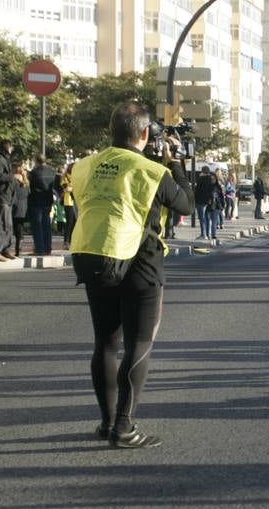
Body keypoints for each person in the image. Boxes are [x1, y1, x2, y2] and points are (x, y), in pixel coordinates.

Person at [71, 102, 194, 448]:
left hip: (94, 252)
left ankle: (106, 422)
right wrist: (175, 163)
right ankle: (124, 428)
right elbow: (186, 204)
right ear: (144, 134)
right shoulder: (151, 172)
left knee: (105, 344)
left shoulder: (85, 165)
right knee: (139, 342)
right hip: (140, 259)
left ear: (112, 132)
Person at [27, 154, 59, 256]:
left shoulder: (34, 173)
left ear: (36, 161)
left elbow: (29, 187)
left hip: (36, 201)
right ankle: (47, 247)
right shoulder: (51, 171)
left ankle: (39, 248)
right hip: (47, 200)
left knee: (37, 226)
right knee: (46, 225)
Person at [10, 161, 29, 257]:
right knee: (20, 229)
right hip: (23, 207)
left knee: (12, 228)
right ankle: (19, 250)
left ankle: (13, 249)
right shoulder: (25, 181)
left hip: (14, 206)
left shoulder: (13, 180)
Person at [194, 166, 218, 240]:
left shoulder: (201, 179)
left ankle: (203, 234)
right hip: (209, 201)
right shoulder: (211, 179)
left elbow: (197, 191)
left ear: (202, 171)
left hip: (201, 201)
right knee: (207, 218)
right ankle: (209, 234)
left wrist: (195, 200)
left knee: (202, 218)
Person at [60, 162, 77, 248]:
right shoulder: (65, 177)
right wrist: (74, 187)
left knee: (75, 222)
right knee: (69, 222)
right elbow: (66, 188)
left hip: (76, 201)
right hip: (68, 202)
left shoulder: (77, 177)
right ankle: (66, 241)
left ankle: (71, 240)